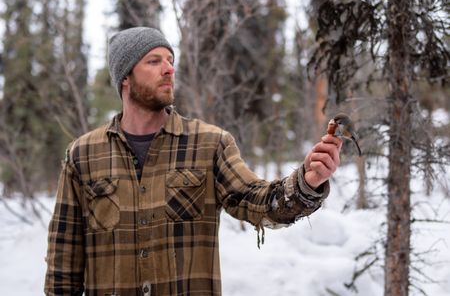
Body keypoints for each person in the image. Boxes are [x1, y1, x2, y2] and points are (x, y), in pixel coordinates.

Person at [44, 27, 342, 296]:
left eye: (170, 60)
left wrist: (307, 181)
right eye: (154, 61)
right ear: (125, 77)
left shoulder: (210, 143)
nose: (169, 69)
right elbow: (63, 262)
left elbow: (258, 202)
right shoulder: (83, 154)